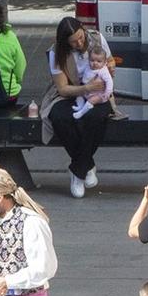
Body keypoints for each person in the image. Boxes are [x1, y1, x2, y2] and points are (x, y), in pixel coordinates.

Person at [44, 17, 114, 198]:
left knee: (96, 117)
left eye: (81, 38)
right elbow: (62, 88)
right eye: (74, 42)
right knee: (60, 117)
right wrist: (85, 88)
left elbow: (110, 60)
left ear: (83, 30)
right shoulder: (56, 52)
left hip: (98, 93)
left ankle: (77, 170)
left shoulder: (97, 39)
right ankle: (86, 165)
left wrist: (109, 69)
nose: (80, 43)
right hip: (70, 92)